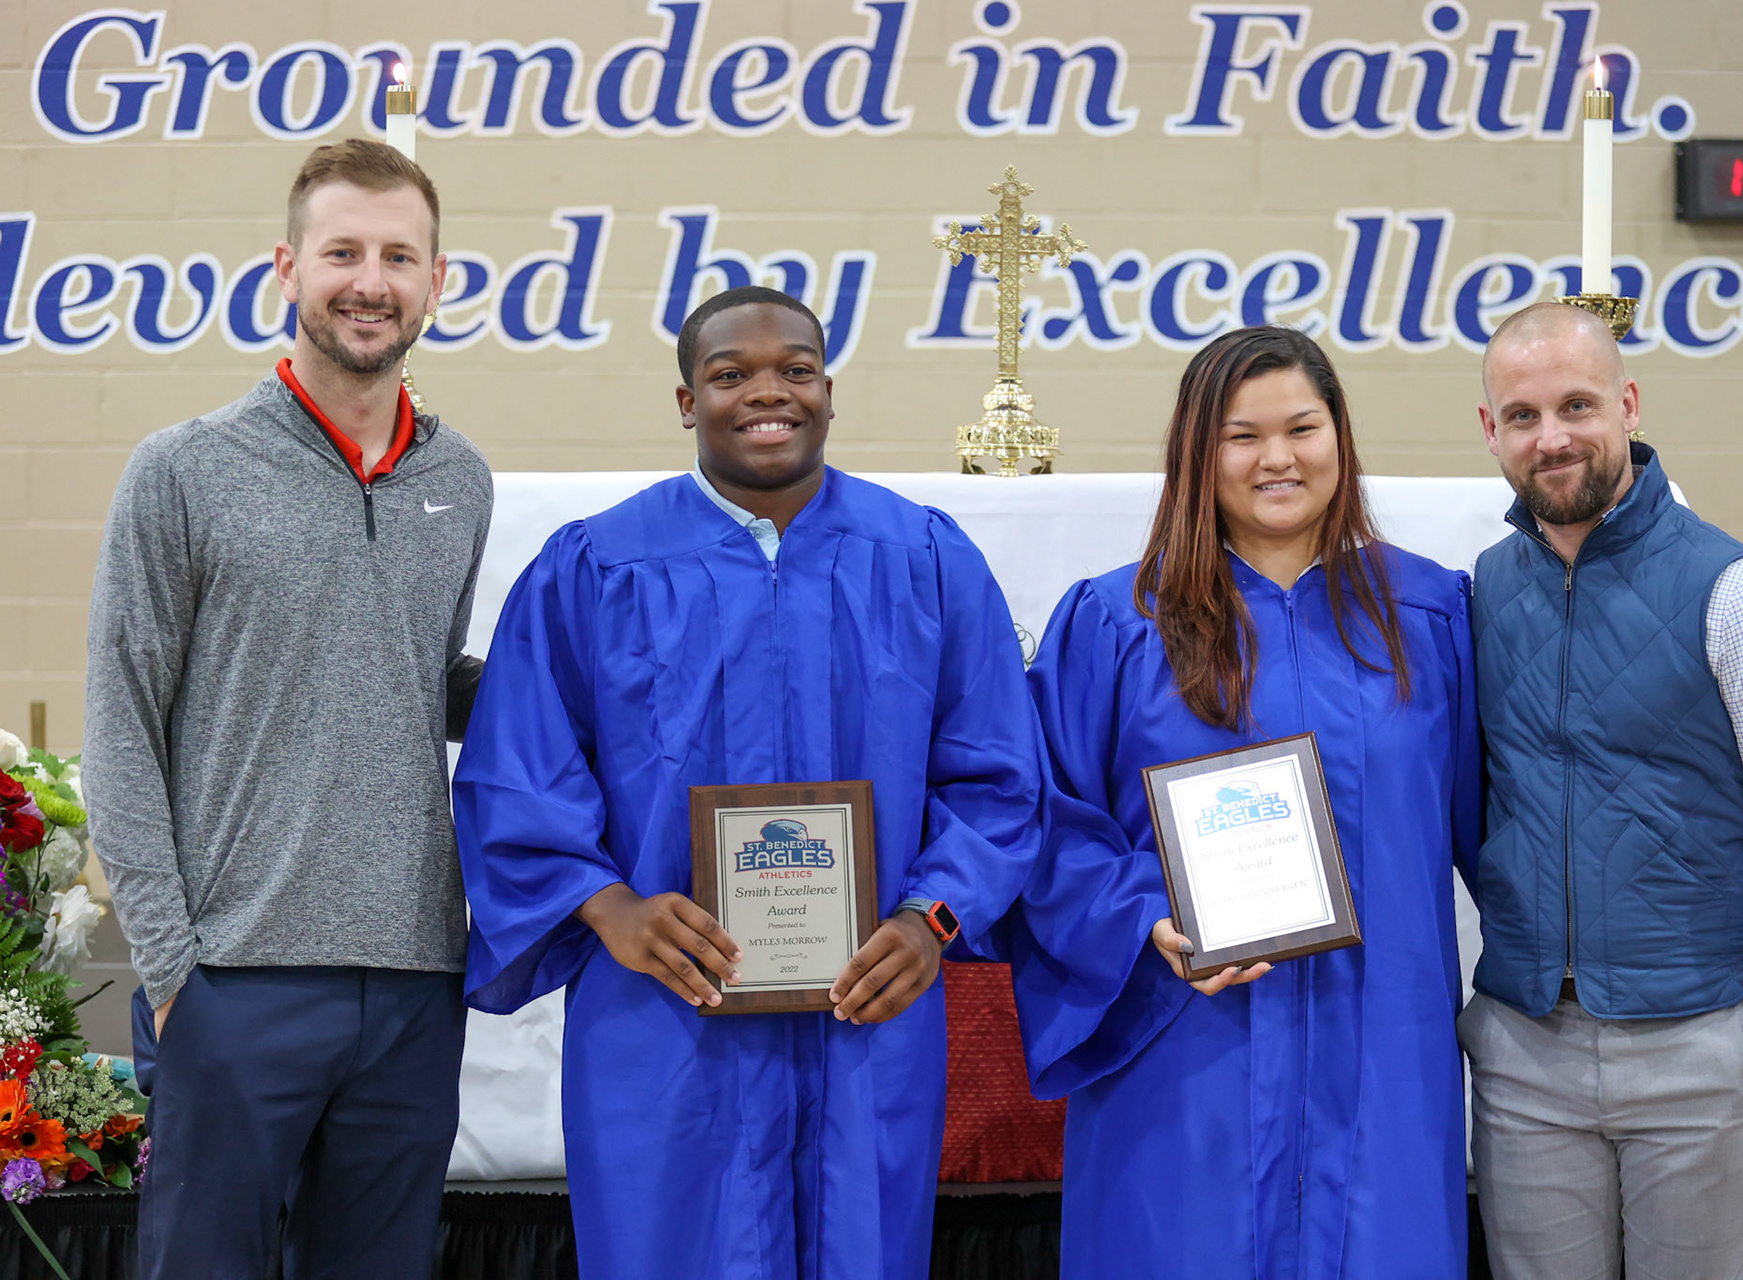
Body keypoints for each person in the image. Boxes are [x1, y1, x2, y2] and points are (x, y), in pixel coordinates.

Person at [452, 286, 1044, 1280]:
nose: (768, 393)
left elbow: (999, 778)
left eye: (796, 370)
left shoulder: (926, 559)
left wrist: (928, 920)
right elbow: (518, 771)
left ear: (827, 389)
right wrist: (609, 908)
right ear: (688, 400)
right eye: (731, 374)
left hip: (867, 1003)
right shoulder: (595, 568)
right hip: (666, 1007)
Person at [85, 139, 491, 1278]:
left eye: (399, 255)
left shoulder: (461, 478)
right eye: (344, 251)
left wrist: (578, 688)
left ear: (437, 281)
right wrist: (173, 970)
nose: (371, 280)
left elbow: (420, 675)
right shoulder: (184, 468)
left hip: (413, 978)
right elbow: (121, 722)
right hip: (234, 974)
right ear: (287, 266)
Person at [1004, 326, 1480, 1279]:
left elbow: (1491, 827)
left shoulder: (1430, 616)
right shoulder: (1117, 624)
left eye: (1302, 427)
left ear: (1339, 438)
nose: (1277, 458)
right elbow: (1042, 821)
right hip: (1188, 1053)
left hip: (1381, 1049)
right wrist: (1145, 917)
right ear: (1197, 452)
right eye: (1241, 435)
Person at [1463, 301, 1743, 1279]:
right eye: (1522, 415)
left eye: (1576, 404)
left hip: (1701, 1049)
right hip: (1526, 1056)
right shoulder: (1482, 589)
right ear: (1491, 431)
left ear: (1629, 404)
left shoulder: (1741, 592)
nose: (1551, 436)